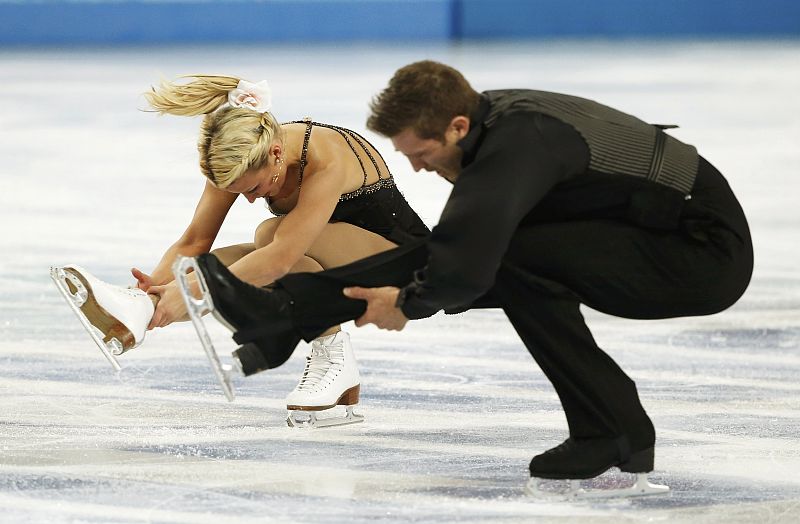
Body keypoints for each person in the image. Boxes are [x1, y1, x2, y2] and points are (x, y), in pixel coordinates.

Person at [181, 61, 753, 492]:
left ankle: (611, 428)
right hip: (641, 226)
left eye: (420, 152)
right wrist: (408, 293)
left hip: (697, 252)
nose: (414, 167)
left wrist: (407, 302)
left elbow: (464, 267)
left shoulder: (516, 147)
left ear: (456, 126)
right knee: (510, 260)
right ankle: (611, 430)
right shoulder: (491, 128)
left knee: (513, 261)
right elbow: (457, 249)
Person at [50, 75, 430, 426]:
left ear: (276, 153)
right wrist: (155, 292)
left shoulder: (324, 158)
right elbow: (194, 242)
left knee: (269, 237)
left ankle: (334, 358)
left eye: (254, 189)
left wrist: (187, 294)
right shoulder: (236, 155)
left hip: (410, 269)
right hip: (336, 265)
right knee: (239, 254)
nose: (249, 199)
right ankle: (140, 307)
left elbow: (279, 259)